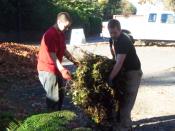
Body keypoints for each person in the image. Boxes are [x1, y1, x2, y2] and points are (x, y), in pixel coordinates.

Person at [37, 12, 80, 111]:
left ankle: (58, 120)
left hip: (56, 69)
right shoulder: (50, 34)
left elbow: (64, 50)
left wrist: (76, 62)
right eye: (65, 26)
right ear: (58, 22)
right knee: (53, 99)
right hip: (47, 70)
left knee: (60, 95)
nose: (67, 29)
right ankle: (52, 122)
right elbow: (52, 55)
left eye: (68, 27)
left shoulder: (61, 33)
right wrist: (62, 70)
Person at [108, 19, 142, 130]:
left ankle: (125, 127)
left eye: (115, 33)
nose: (112, 35)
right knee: (122, 101)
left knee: (127, 103)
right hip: (125, 72)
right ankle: (124, 123)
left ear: (120, 30)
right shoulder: (115, 39)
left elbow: (119, 63)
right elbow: (116, 57)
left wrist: (110, 77)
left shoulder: (123, 41)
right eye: (110, 33)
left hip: (133, 73)